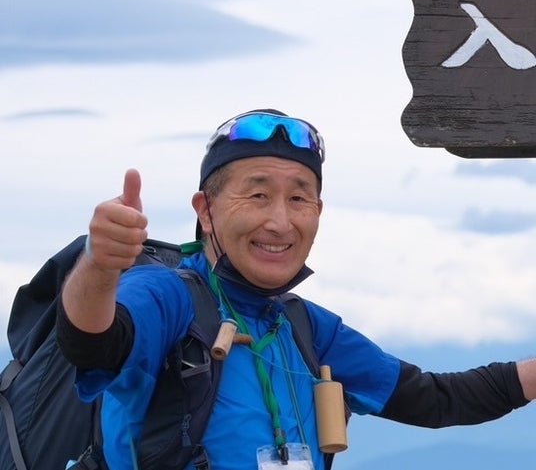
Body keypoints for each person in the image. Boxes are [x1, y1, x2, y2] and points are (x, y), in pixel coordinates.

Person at [57, 109, 536, 470]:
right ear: (205, 210)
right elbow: (92, 343)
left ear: (318, 212)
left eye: (299, 198)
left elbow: (435, 398)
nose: (281, 222)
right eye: (258, 195)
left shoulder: (305, 326)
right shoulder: (168, 296)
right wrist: (100, 266)